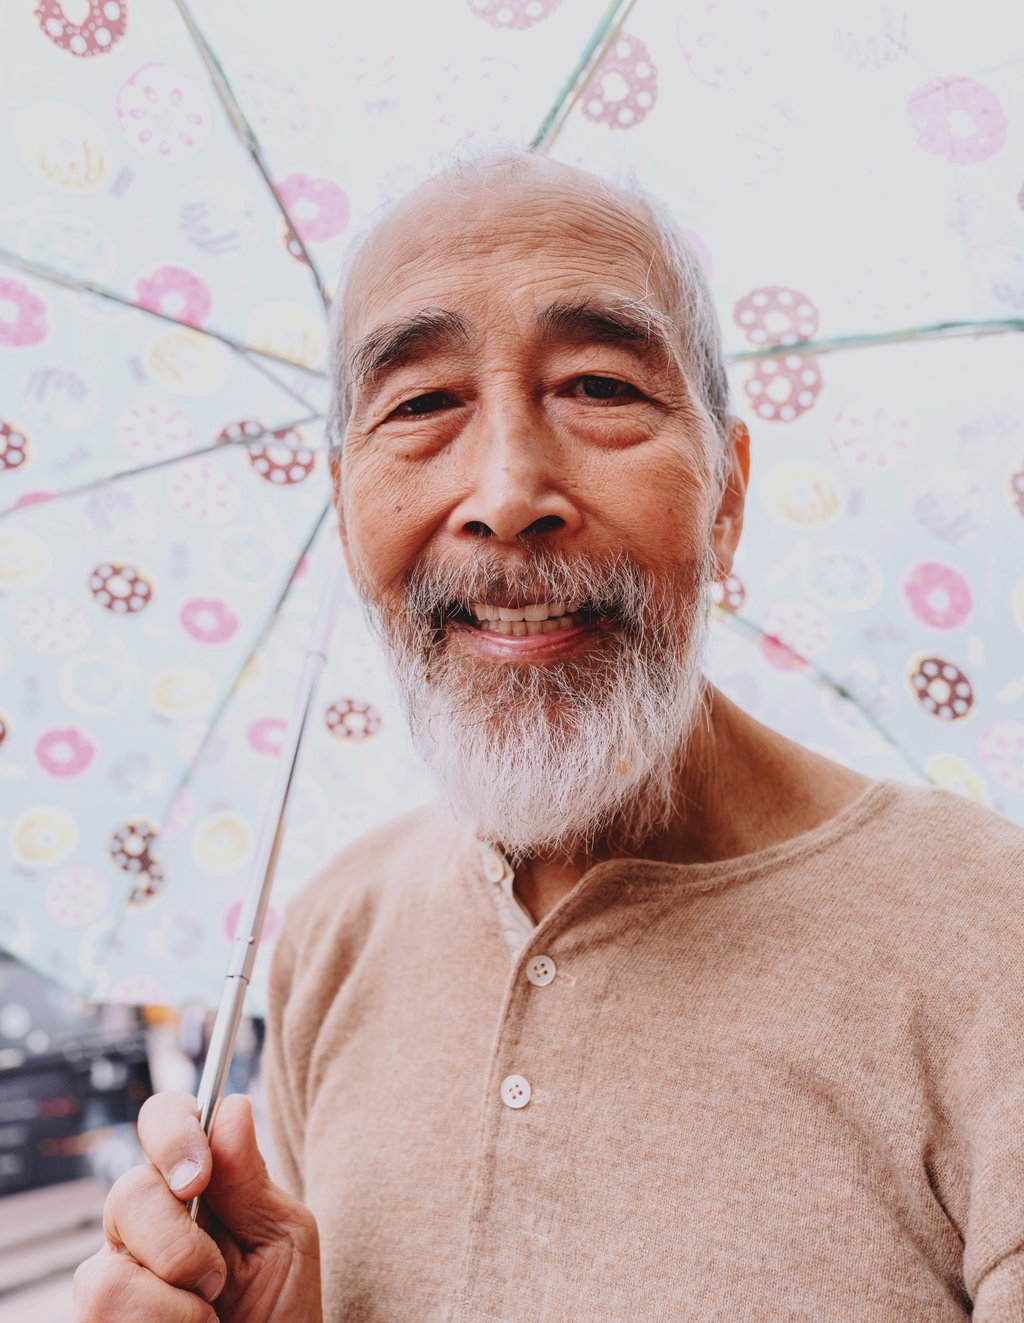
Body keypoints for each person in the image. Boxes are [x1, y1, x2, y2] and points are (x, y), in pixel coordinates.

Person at [73, 152, 1024, 1322]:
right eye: (421, 404)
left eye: (598, 387)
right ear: (343, 510)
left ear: (725, 495)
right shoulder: (334, 930)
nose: (507, 493)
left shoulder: (991, 937)